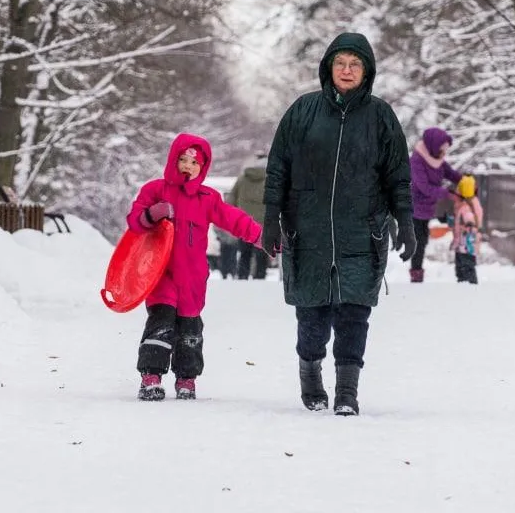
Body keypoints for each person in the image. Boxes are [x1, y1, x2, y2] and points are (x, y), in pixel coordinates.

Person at [261, 32, 412, 416]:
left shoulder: (381, 117)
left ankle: (347, 390)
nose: (347, 70)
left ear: (367, 71)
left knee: (354, 313)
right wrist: (270, 218)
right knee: (312, 314)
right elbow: (278, 168)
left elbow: (398, 176)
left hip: (362, 231)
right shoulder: (302, 111)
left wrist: (406, 221)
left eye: (355, 64)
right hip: (307, 230)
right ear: (329, 67)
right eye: (340, 63)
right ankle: (310, 374)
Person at [127, 132, 264, 401]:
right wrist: (152, 214)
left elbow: (233, 219)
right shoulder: (155, 190)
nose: (188, 166)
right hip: (161, 273)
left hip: (192, 278)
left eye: (195, 163)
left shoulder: (207, 197)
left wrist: (262, 237)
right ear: (173, 160)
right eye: (183, 159)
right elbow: (134, 221)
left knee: (190, 329)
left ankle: (186, 378)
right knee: (161, 323)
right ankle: (151, 376)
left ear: (202, 168)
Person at [408, 127, 464, 283]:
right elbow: (424, 187)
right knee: (419, 241)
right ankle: (416, 275)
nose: (443, 153)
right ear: (433, 145)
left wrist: (464, 181)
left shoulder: (436, 158)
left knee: (422, 239)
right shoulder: (417, 161)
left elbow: (450, 173)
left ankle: (417, 272)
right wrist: (449, 194)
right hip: (415, 206)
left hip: (428, 206)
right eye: (442, 149)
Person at [228, 152, 270, 280]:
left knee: (245, 253)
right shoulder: (270, 179)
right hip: (263, 223)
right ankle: (260, 278)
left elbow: (231, 199)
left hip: (244, 222)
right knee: (262, 255)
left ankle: (242, 277)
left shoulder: (242, 179)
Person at [450, 175, 483, 284]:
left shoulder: (467, 205)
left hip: (466, 243)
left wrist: (469, 224)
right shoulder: (470, 203)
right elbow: (458, 222)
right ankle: (464, 285)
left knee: (466, 268)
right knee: (461, 268)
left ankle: (469, 288)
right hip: (464, 243)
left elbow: (469, 219)